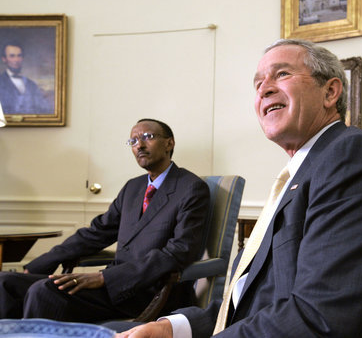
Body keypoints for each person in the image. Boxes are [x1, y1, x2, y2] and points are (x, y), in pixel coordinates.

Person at [112, 39, 362, 337]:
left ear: (330, 92)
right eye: (258, 83)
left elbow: (320, 317)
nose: (264, 89)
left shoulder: (355, 160)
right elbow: (254, 302)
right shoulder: (307, 170)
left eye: (282, 74)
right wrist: (174, 327)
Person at [0, 118, 210, 323]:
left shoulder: (190, 187)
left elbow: (180, 251)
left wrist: (104, 278)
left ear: (169, 143)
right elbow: (97, 233)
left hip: (149, 289)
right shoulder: (133, 187)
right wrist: (44, 262)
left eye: (148, 136)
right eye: (133, 141)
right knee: (6, 282)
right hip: (114, 285)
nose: (140, 145)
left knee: (43, 291)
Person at [0, 41, 53, 114]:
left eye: (19, 56)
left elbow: (43, 110)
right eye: (12, 56)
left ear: (22, 58)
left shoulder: (32, 85)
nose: (16, 60)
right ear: (4, 59)